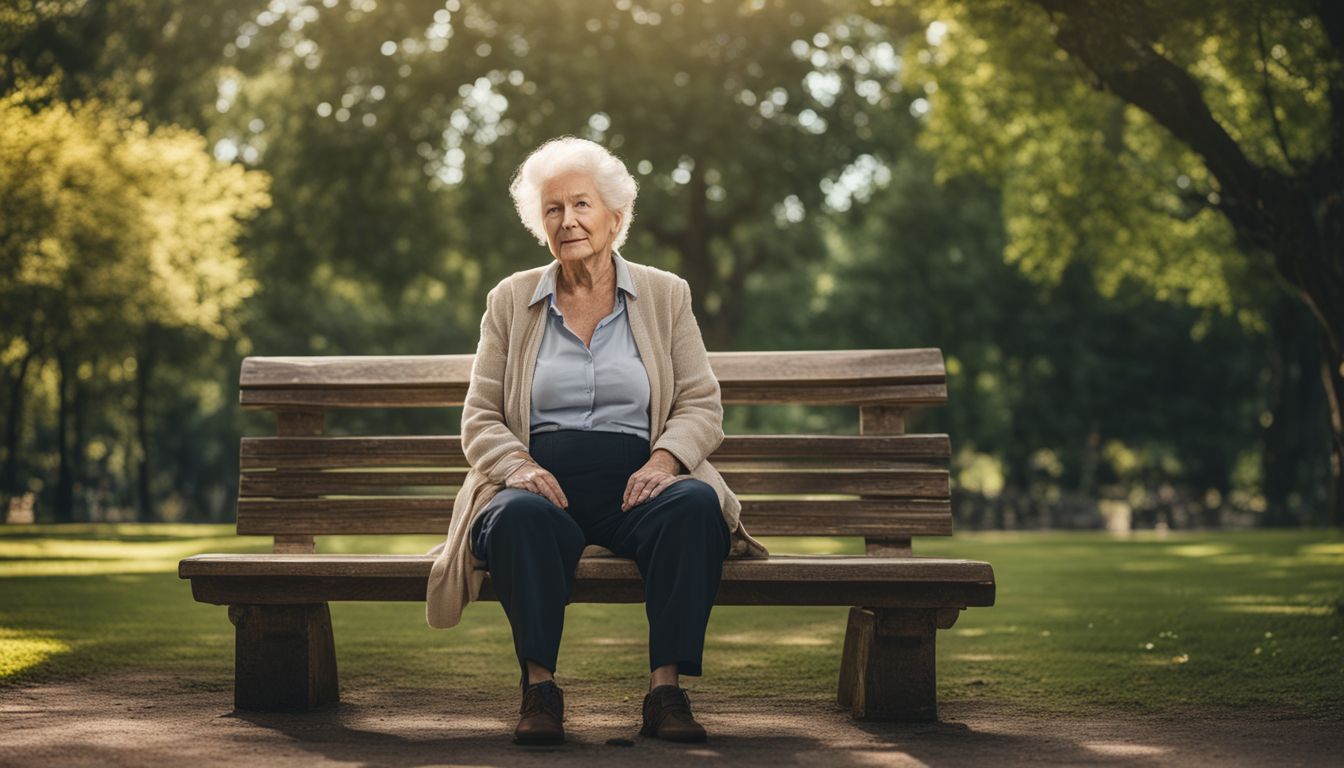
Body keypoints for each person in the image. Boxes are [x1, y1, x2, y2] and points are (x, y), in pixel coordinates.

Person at [424, 136, 769, 746]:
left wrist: (666, 460)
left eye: (581, 205)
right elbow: (479, 416)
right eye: (553, 209)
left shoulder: (667, 295)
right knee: (514, 520)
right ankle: (539, 691)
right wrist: (517, 468)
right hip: (541, 483)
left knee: (694, 508)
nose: (568, 220)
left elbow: (700, 403)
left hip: (638, 484)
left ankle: (666, 692)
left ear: (615, 217)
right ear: (541, 225)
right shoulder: (510, 300)